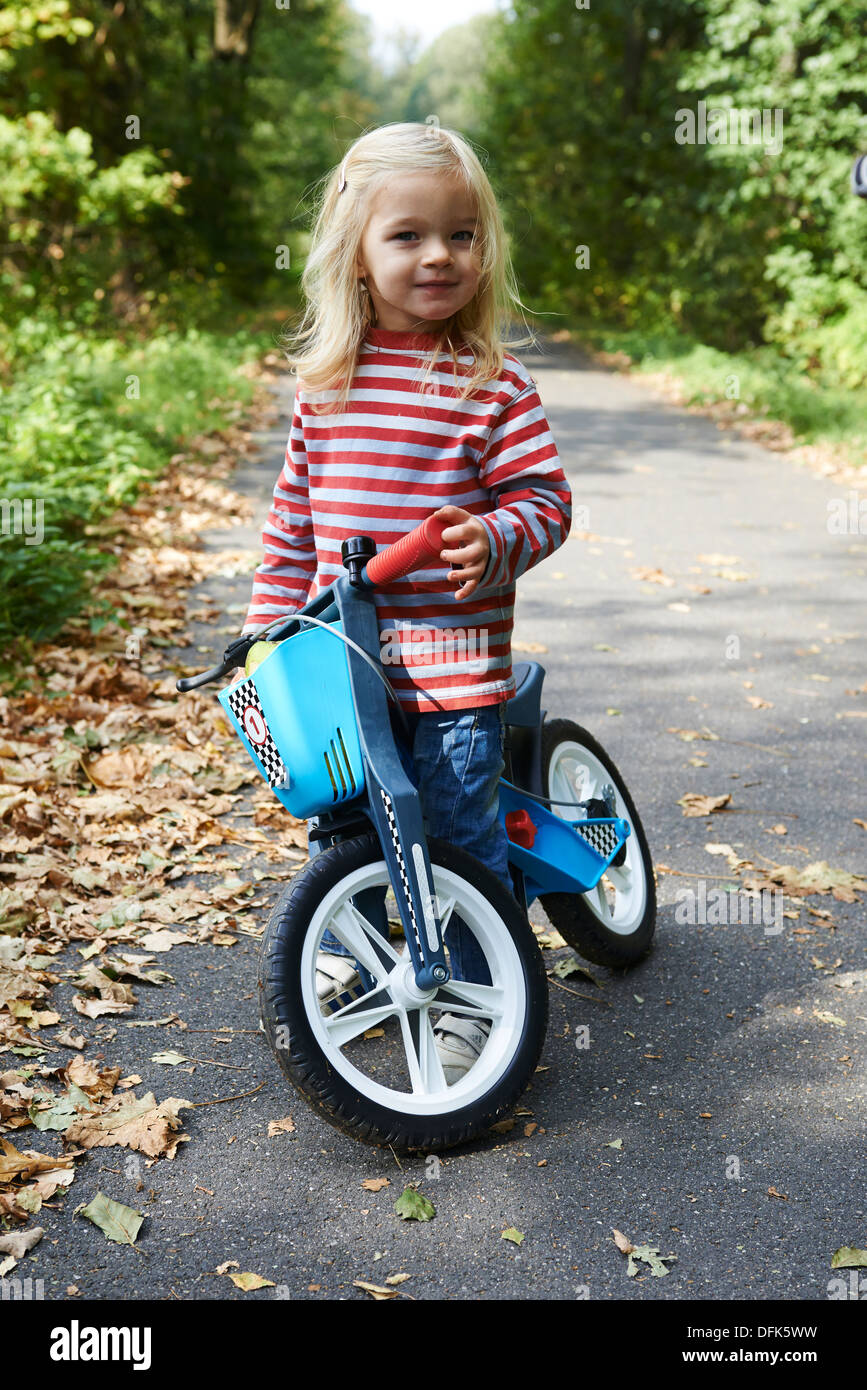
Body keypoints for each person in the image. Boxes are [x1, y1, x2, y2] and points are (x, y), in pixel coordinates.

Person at [240, 122, 572, 1081]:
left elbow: (545, 502)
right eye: (409, 235)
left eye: (462, 235)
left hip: (451, 672)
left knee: (459, 836)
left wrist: (496, 535)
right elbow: (292, 523)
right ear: (354, 253)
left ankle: (479, 990)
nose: (439, 255)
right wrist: (269, 631)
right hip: (339, 671)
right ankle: (348, 952)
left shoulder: (490, 385)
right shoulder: (327, 387)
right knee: (341, 828)